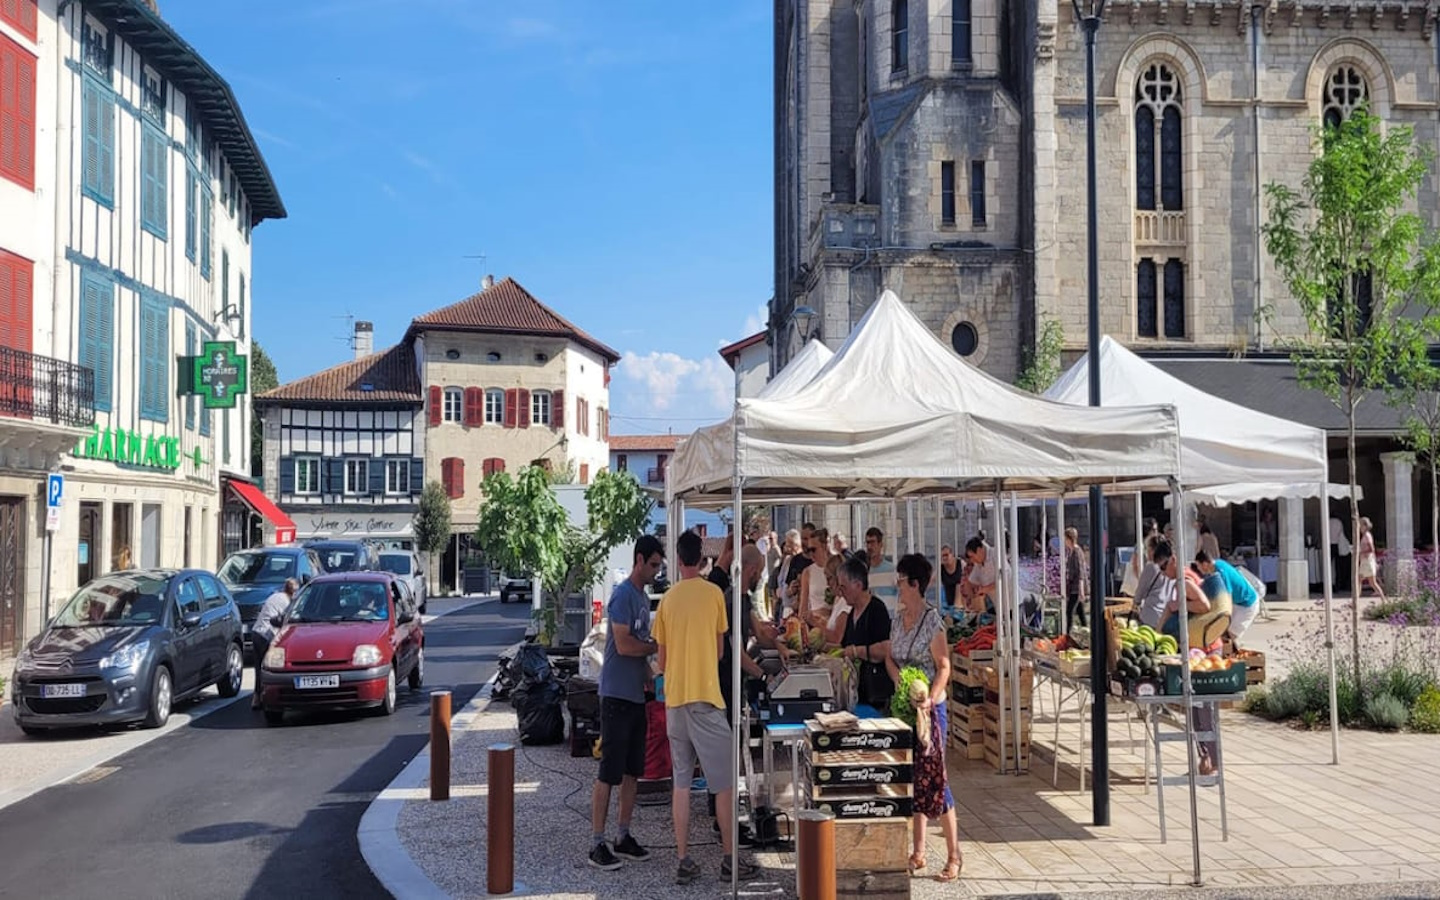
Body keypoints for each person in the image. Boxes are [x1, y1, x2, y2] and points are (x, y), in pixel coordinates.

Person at [653, 531, 759, 884]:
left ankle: (683, 859)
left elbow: (662, 661)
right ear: (700, 558)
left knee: (681, 782)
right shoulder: (714, 594)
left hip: (675, 701)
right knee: (724, 784)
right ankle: (730, 858)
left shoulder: (667, 601)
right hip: (706, 698)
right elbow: (718, 652)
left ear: (677, 559)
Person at [588, 535, 664, 871]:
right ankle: (596, 842)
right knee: (609, 773)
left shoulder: (642, 597)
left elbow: (639, 651)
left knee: (635, 771)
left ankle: (623, 835)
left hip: (635, 695)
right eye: (653, 565)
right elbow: (624, 645)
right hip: (616, 697)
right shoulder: (621, 595)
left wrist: (652, 674)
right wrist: (656, 648)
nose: (655, 572)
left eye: (658, 567)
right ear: (639, 559)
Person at [886, 553, 961, 882]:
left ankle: (954, 855)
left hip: (931, 712)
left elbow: (944, 666)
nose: (898, 587)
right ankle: (918, 852)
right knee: (914, 780)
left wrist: (930, 700)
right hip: (905, 709)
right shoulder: (897, 619)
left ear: (914, 584)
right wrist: (900, 681)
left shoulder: (932, 622)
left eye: (901, 581)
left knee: (936, 781)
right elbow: (891, 658)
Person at [836, 556, 893, 710]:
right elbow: (845, 645)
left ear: (858, 585)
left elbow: (886, 649)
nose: (841, 593)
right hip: (856, 694)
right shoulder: (851, 613)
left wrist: (857, 651)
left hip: (874, 696)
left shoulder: (877, 610)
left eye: (844, 587)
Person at [1193, 550, 1260, 646]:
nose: (1198, 569)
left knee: (1229, 635)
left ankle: (1231, 655)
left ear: (1204, 564)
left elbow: (1227, 596)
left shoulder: (1220, 572)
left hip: (1247, 604)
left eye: (1198, 565)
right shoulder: (1218, 564)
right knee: (1222, 633)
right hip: (1237, 602)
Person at [251, 578, 300, 710]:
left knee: (258, 667)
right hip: (268, 634)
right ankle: (268, 696)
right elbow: (288, 621)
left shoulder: (275, 596)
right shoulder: (286, 602)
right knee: (270, 668)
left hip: (256, 632)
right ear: (293, 592)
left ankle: (256, 697)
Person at [799, 527, 834, 629]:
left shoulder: (837, 567)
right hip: (815, 625)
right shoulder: (808, 572)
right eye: (809, 550)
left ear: (824, 546)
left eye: (813, 549)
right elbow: (803, 606)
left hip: (834, 623)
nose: (811, 554)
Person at [860, 527, 898, 610]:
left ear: (880, 544)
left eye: (873, 542)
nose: (869, 546)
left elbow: (901, 595)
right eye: (867, 543)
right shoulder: (864, 571)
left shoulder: (892, 570)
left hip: (889, 618)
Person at [963, 536, 997, 614]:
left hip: (1012, 604)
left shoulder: (996, 555)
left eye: (972, 557)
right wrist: (972, 597)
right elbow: (969, 583)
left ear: (979, 550)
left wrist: (985, 589)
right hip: (997, 606)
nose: (972, 560)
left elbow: (1004, 580)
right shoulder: (978, 565)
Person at [1063, 528, 1087, 634]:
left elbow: (1080, 571)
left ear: (1069, 539)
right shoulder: (1071, 552)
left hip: (1076, 587)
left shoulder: (1077, 552)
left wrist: (1081, 589)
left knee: (1069, 611)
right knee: (1080, 611)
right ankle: (1086, 630)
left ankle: (1069, 633)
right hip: (1074, 586)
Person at [1357, 517, 1385, 600]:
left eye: (1361, 526)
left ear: (1365, 526)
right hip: (1366, 560)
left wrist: (1361, 552)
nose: (1360, 528)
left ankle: (1382, 598)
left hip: (1367, 561)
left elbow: (1371, 549)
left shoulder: (1366, 536)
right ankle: (1356, 599)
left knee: (1371, 582)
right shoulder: (1366, 535)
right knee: (1364, 580)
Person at [938, 545, 963, 617]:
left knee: (959, 584)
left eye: (946, 555)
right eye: (942, 556)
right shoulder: (941, 568)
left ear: (952, 554)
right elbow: (930, 581)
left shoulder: (961, 564)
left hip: (961, 604)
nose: (944, 558)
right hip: (949, 604)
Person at [1329, 514, 1352, 591]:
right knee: (1338, 567)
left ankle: (1328, 584)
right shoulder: (1339, 522)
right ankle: (1338, 585)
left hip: (1329, 545)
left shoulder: (1327, 521)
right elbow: (1341, 533)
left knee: (1328, 566)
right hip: (1337, 545)